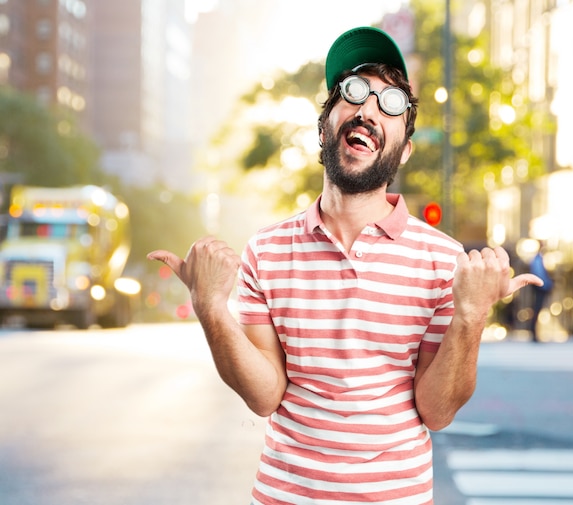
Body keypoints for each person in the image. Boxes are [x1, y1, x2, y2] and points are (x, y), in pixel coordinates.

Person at [148, 26, 543, 505]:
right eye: (354, 93)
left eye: (390, 103)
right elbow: (264, 395)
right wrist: (211, 307)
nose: (368, 110)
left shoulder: (443, 259)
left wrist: (471, 315)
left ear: (404, 149)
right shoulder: (267, 250)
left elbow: (437, 412)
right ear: (323, 126)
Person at [529, 246, 553, 342]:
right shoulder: (538, 260)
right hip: (540, 288)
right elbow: (539, 275)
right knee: (536, 309)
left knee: (537, 310)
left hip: (540, 287)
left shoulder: (539, 259)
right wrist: (546, 285)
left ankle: (534, 332)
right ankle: (533, 332)